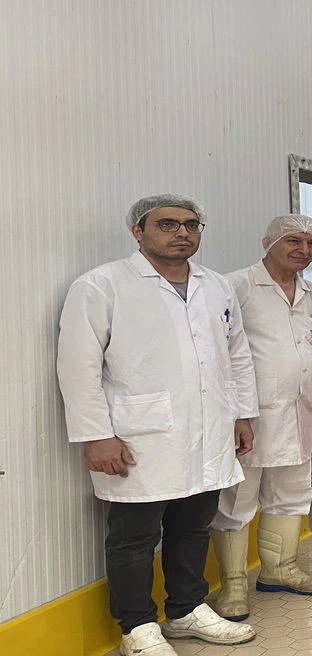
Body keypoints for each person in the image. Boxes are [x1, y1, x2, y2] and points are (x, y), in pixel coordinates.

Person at [57, 195, 257, 656]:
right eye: (167, 224)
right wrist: (96, 435)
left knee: (194, 525)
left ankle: (186, 610)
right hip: (137, 436)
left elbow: (237, 355)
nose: (182, 232)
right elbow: (77, 366)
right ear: (138, 231)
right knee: (135, 536)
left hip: (210, 428)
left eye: (192, 224)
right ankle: (137, 626)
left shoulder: (216, 286)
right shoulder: (101, 285)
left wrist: (242, 414)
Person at [209, 215, 312, 622]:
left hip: (299, 411)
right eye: (294, 241)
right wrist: (235, 412)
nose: (304, 250)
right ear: (268, 243)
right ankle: (233, 586)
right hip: (249, 415)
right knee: (237, 498)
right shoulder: (235, 286)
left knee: (292, 491)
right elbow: (220, 353)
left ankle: (280, 569)